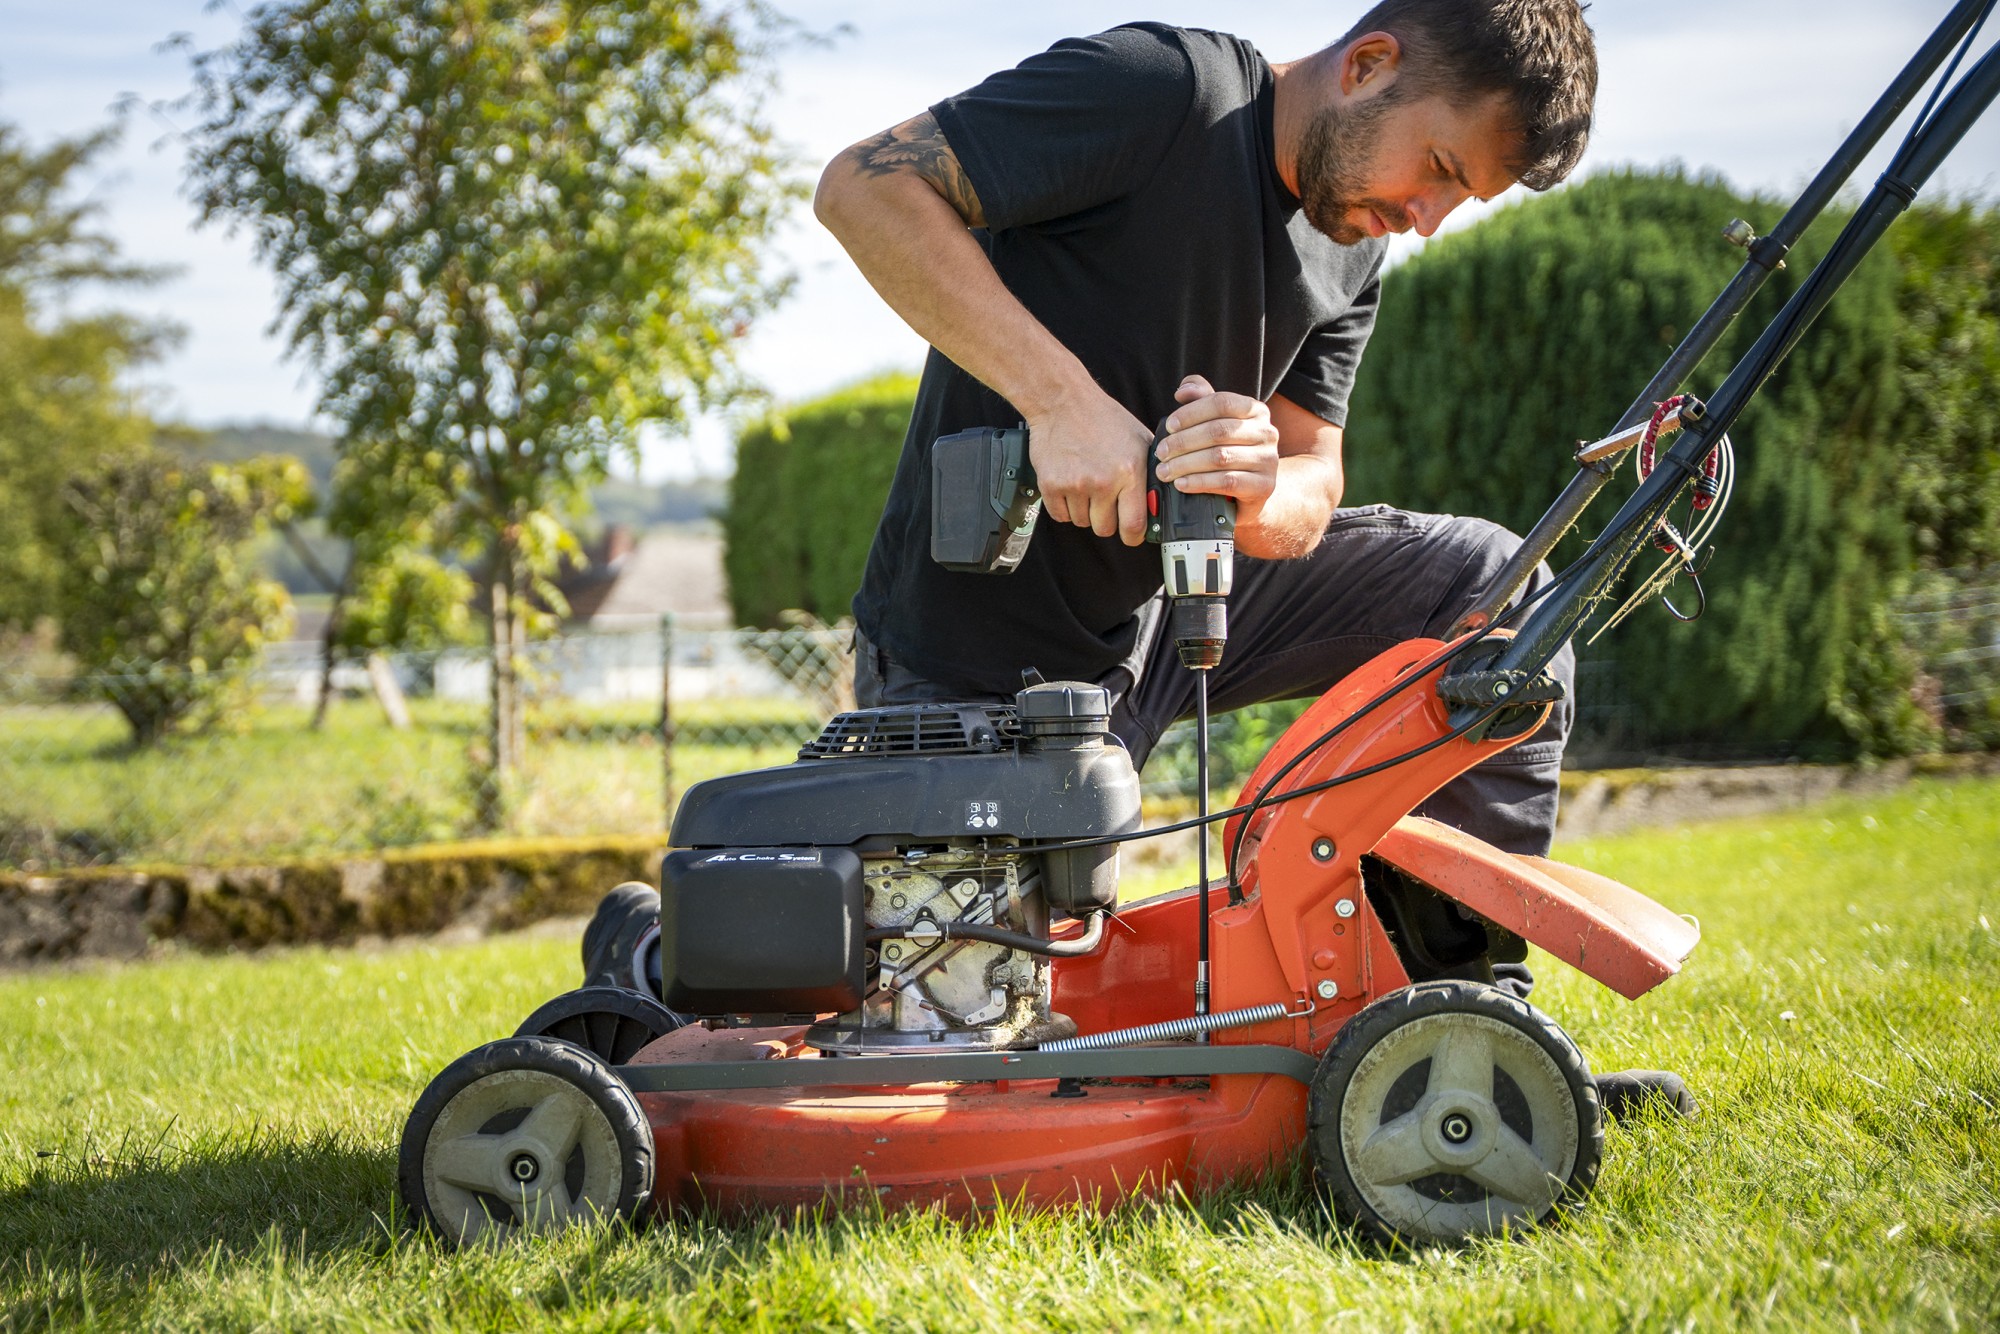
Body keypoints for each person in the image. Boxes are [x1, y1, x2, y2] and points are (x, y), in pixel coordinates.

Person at [585, 0, 1693, 1116]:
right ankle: (647, 952)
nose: (1426, 216)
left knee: (1490, 591)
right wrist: (1059, 403)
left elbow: (1316, 478)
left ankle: (1461, 1029)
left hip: (1185, 606)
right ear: (1367, 65)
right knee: (923, 1018)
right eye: (1439, 167)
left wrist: (1266, 483)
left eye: (1459, 199)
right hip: (980, 661)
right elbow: (863, 186)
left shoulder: (1350, 241)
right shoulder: (1163, 91)